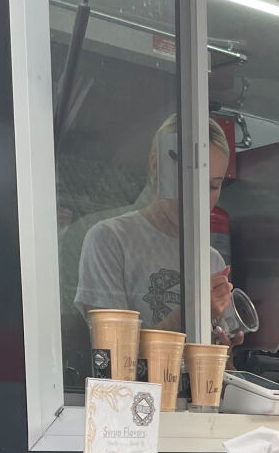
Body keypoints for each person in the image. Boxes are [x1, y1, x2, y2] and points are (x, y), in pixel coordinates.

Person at [74, 116, 239, 338]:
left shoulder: (211, 260)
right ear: (156, 167)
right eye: (189, 181)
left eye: (212, 186)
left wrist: (226, 352)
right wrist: (190, 313)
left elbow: (219, 365)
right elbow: (114, 354)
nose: (200, 199)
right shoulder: (110, 240)